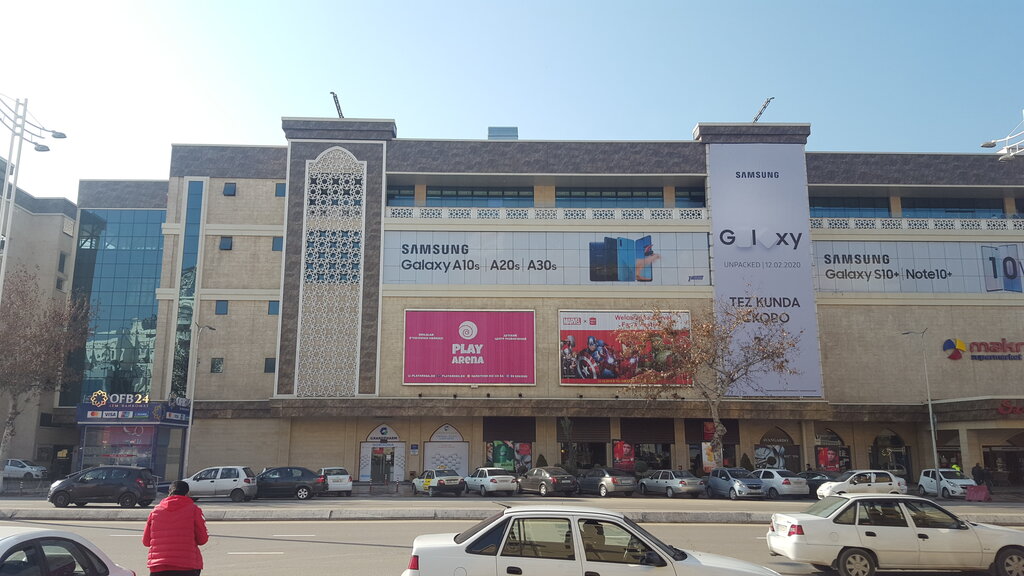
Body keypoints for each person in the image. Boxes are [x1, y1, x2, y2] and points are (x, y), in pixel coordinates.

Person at [143, 480, 208, 576]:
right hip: (187, 566)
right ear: (187, 493)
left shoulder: (155, 511)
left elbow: (146, 541)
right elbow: (202, 539)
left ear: (169, 492)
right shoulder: (194, 510)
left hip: (159, 566)